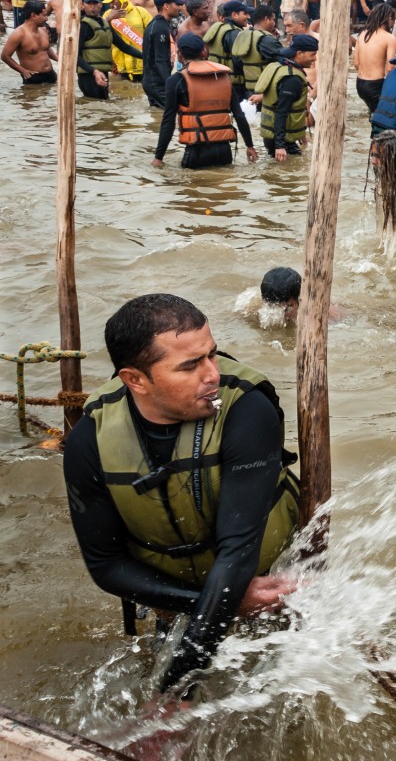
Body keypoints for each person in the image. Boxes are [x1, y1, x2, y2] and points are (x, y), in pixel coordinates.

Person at [65, 294, 299, 693]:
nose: (212, 374)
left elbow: (238, 551)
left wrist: (176, 684)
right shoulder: (90, 440)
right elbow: (105, 565)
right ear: (135, 380)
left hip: (269, 585)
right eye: (190, 366)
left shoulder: (248, 411)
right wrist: (197, 602)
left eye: (211, 354)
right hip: (179, 594)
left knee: (275, 695)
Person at [153, 32, 257, 169]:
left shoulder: (175, 81)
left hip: (196, 151)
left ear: (179, 54)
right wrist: (250, 146)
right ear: (203, 52)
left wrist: (158, 157)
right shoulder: (224, 77)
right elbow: (239, 115)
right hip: (225, 151)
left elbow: (168, 121)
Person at [250, 34, 319, 160]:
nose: (314, 59)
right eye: (312, 54)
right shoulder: (292, 80)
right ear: (299, 53)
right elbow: (281, 111)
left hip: (274, 136)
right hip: (280, 138)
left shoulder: (281, 66)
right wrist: (280, 146)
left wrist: (301, 135)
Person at [77, 0, 142, 99]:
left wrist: (146, 56)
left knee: (103, 106)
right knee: (94, 106)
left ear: (101, 5)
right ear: (82, 5)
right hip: (88, 75)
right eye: (89, 3)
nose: (92, 6)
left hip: (103, 73)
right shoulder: (82, 26)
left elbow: (124, 47)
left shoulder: (104, 24)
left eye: (95, 3)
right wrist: (94, 71)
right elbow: (75, 56)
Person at [354, 3, 396, 114]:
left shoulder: (363, 34)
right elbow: (390, 67)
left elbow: (356, 63)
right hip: (375, 84)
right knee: (384, 118)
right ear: (389, 18)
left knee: (373, 113)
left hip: (360, 84)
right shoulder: (389, 38)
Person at [2, 0, 57, 84]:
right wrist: (23, 71)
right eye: (44, 15)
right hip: (33, 77)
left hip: (51, 74)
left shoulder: (44, 30)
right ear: (34, 15)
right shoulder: (18, 34)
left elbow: (46, 49)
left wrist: (59, 59)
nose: (46, 18)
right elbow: (5, 56)